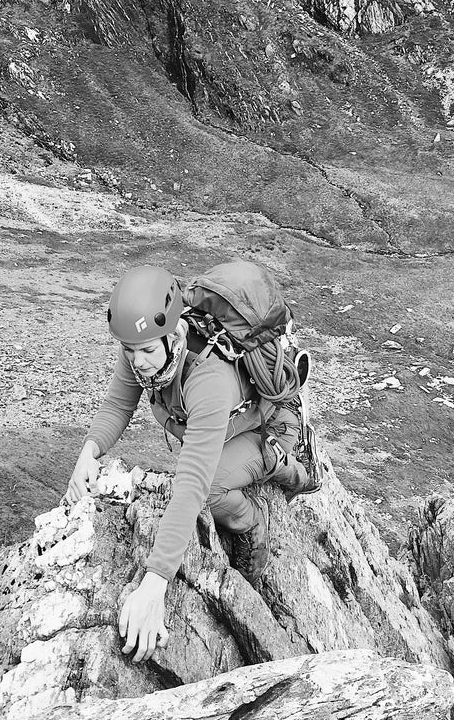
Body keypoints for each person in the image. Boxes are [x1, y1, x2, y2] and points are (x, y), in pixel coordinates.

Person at [64, 264, 320, 663]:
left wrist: (154, 583)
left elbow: (191, 487)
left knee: (214, 489)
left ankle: (290, 468)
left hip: (272, 421)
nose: (138, 362)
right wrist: (89, 451)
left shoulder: (209, 379)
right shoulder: (144, 342)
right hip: (229, 425)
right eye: (131, 351)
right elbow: (118, 403)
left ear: (176, 333)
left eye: (147, 351)